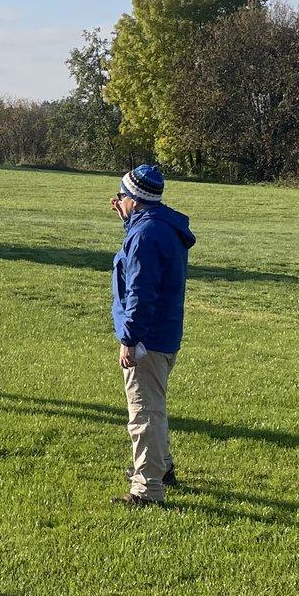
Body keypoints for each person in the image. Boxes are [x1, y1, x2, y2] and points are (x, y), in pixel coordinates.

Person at [108, 164, 195, 508]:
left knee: (144, 412)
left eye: (121, 196)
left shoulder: (144, 235)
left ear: (134, 199)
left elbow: (140, 292)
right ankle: (163, 468)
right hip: (164, 333)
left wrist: (130, 339)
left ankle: (148, 490)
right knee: (154, 406)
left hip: (147, 339)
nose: (118, 201)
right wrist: (127, 220)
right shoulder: (158, 226)